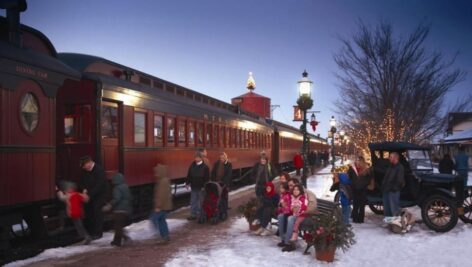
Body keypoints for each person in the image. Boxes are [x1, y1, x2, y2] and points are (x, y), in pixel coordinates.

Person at [79, 156, 108, 239]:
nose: (84, 168)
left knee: (97, 214)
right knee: (89, 213)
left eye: (84, 166)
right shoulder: (84, 171)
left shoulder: (99, 170)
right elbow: (82, 181)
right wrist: (84, 189)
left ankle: (98, 233)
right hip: (89, 195)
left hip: (99, 196)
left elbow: (99, 186)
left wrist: (89, 195)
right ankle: (90, 232)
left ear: (89, 163)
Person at [102, 173, 132, 247]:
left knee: (117, 227)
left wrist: (109, 205)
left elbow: (117, 199)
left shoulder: (117, 188)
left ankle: (126, 238)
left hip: (119, 210)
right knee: (118, 226)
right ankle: (116, 242)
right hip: (126, 209)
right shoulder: (126, 186)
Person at [150, 164, 173, 244]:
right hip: (165, 206)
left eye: (156, 172)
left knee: (153, 219)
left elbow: (161, 195)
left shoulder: (162, 182)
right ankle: (165, 236)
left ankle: (160, 235)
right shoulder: (165, 180)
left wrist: (158, 206)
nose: (155, 174)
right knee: (162, 221)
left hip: (161, 206)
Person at [282, 185, 307, 252]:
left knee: (290, 219)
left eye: (297, 190)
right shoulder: (293, 198)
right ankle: (288, 242)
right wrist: (293, 209)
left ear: (300, 191)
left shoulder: (303, 198)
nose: (295, 191)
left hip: (303, 216)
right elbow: (291, 207)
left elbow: (304, 207)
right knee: (289, 218)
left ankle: (288, 243)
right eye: (294, 190)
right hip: (296, 215)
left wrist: (298, 209)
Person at [186, 151, 210, 220]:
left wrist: (204, 186)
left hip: (201, 187)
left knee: (201, 202)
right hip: (193, 186)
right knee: (193, 201)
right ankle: (193, 214)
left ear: (201, 158)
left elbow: (206, 179)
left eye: (198, 157)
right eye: (195, 157)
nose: (196, 159)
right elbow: (189, 175)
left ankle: (200, 214)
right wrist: (187, 183)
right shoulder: (192, 165)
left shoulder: (205, 167)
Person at [348, 157, 371, 223]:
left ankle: (361, 219)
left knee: (361, 205)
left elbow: (369, 179)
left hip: (363, 189)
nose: (358, 162)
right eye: (357, 160)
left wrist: (364, 183)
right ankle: (355, 219)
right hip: (355, 189)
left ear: (362, 161)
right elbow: (349, 177)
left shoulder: (366, 169)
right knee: (355, 205)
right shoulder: (352, 168)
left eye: (359, 160)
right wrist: (352, 184)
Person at [382, 152, 405, 217]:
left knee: (394, 209)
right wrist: (383, 186)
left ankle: (395, 225)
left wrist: (393, 188)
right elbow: (386, 177)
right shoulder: (390, 166)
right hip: (386, 190)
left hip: (393, 191)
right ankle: (389, 223)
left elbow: (399, 180)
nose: (389, 158)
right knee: (387, 209)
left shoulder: (400, 167)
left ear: (395, 158)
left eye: (391, 157)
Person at [276, 182, 291, 247]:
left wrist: (283, 206)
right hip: (283, 212)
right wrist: (280, 207)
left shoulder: (287, 196)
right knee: (280, 217)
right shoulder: (282, 195)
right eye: (280, 188)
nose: (280, 189)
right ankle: (283, 239)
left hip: (287, 213)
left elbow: (288, 205)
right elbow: (280, 204)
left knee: (284, 223)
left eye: (282, 188)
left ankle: (285, 240)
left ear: (286, 189)